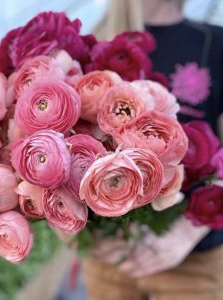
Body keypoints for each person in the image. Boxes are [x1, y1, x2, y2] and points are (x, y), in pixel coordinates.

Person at [84, 0, 223, 299]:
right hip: (108, 259)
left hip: (192, 262)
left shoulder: (214, 43)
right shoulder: (95, 44)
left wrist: (185, 234)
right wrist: (75, 232)